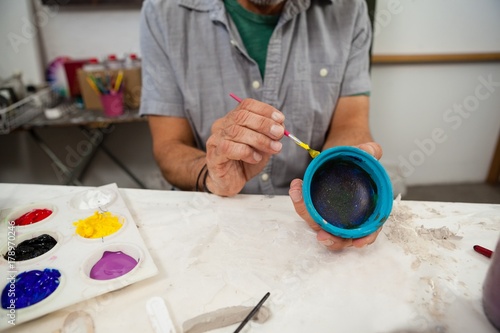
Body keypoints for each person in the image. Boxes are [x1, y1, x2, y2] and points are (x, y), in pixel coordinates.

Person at [139, 0, 384, 250]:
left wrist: (341, 181)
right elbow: (169, 146)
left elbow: (350, 123)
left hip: (305, 228)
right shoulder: (164, 11)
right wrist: (211, 175)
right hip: (212, 221)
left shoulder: (348, 8)